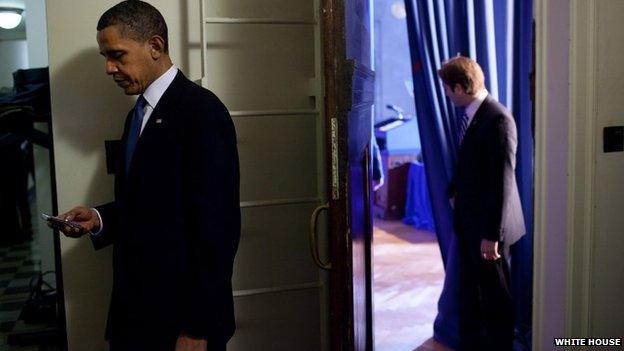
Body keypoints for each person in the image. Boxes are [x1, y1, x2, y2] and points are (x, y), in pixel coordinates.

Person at [53, 1, 240, 350]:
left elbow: (217, 230)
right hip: (135, 315)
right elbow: (152, 205)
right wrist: (98, 218)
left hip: (180, 323)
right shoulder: (137, 115)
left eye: (117, 55)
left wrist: (196, 328)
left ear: (155, 46)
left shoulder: (203, 112)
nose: (109, 67)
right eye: (105, 57)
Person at [438, 56, 525, 350]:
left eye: (449, 89)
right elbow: (468, 165)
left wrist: (491, 236)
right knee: (470, 295)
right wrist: (454, 192)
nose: (447, 95)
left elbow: (502, 181)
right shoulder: (474, 116)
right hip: (469, 223)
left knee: (496, 299)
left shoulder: (497, 118)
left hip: (488, 230)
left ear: (461, 87)